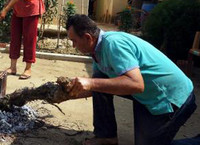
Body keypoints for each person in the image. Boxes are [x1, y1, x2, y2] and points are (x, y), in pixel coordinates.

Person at [65, 14, 197, 145]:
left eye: (74, 41)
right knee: (99, 80)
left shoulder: (113, 44)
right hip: (147, 94)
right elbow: (97, 88)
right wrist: (65, 94)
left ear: (88, 37)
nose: (73, 46)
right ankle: (106, 137)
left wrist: (91, 83)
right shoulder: (97, 51)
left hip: (171, 98)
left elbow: (136, 84)